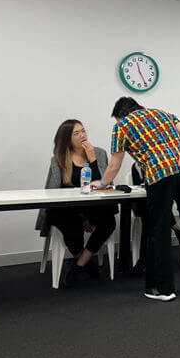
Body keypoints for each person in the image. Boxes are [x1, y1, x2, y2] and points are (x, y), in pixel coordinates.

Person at [92, 97, 180, 302]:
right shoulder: (162, 114)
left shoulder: (122, 126)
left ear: (121, 115)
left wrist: (101, 183)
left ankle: (163, 289)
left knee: (159, 229)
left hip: (160, 173)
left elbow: (114, 165)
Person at [35, 120, 117, 288]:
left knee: (109, 221)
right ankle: (87, 263)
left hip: (92, 205)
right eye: (77, 133)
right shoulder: (59, 158)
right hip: (68, 208)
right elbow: (54, 192)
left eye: (83, 131)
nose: (82, 135)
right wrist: (82, 218)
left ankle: (79, 264)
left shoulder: (99, 153)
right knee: (70, 226)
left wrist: (93, 160)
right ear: (68, 138)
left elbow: (105, 183)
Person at [129, 163, 180, 276]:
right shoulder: (136, 166)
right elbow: (138, 186)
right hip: (142, 203)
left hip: (156, 202)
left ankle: (143, 262)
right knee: (154, 211)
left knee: (154, 212)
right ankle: (177, 229)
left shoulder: (160, 163)